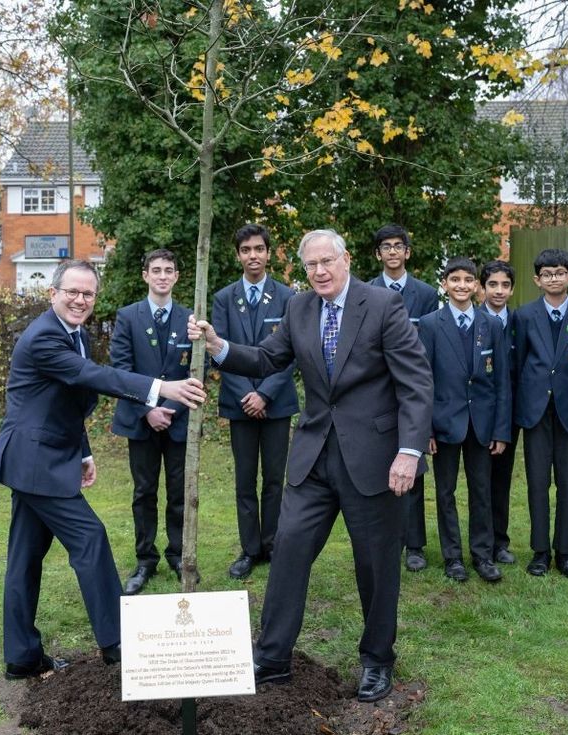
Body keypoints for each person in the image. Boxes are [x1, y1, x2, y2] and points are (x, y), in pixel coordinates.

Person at [188, 229, 432, 703]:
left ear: (346, 259)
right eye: (310, 266)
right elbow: (265, 358)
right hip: (314, 457)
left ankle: (378, 660)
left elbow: (416, 382)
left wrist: (410, 451)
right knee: (289, 551)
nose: (319, 272)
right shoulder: (300, 308)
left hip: (375, 461)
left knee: (376, 566)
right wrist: (219, 346)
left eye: (327, 262)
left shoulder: (382, 306)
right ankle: (273, 657)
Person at [0, 259, 205, 680]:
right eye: (72, 291)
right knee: (89, 538)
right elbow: (91, 375)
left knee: (24, 558)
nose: (80, 300)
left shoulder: (76, 333)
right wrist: (159, 388)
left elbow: (70, 396)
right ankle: (118, 643)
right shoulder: (44, 337)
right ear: (53, 293)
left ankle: (21, 657)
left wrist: (84, 451)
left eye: (88, 293)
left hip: (42, 455)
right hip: (36, 462)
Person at [211, 224, 298, 580]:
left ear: (268, 253)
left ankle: (273, 543)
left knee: (275, 479)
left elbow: (292, 352)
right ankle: (249, 549)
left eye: (259, 249)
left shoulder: (288, 297)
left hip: (275, 402)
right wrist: (247, 394)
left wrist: (264, 393)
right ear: (238, 255)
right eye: (246, 249)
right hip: (238, 402)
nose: (253, 256)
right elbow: (218, 351)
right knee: (245, 480)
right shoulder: (223, 298)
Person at [418, 258, 511, 583]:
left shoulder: (491, 325)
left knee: (482, 491)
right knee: (445, 492)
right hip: (444, 422)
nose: (461, 285)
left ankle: (483, 555)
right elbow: (424, 380)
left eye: (467, 280)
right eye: (454, 279)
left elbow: (501, 380)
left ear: (476, 286)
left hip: (482, 423)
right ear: (444, 284)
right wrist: (425, 428)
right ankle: (453, 557)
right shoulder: (430, 324)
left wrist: (501, 429)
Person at [110, 249, 194, 594]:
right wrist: (148, 410)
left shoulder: (190, 318)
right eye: (156, 270)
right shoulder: (128, 317)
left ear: (176, 277)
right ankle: (146, 559)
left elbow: (195, 371)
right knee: (144, 492)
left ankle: (177, 554)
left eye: (168, 270)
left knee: (178, 492)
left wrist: (170, 407)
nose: (162, 276)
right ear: (145, 275)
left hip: (177, 419)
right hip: (141, 420)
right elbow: (120, 370)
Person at [513, 249, 568, 578]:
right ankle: (539, 551)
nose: (554, 279)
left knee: (567, 482)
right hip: (535, 411)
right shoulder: (523, 316)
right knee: (537, 482)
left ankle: (564, 551)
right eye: (547, 274)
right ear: (537, 280)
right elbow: (520, 363)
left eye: (560, 273)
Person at [368, 224, 439, 573]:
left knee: (415, 466)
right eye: (386, 247)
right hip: (379, 388)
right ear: (378, 254)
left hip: (411, 385)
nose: (393, 252)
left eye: (399, 246)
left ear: (408, 252)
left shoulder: (425, 293)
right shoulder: (366, 291)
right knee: (379, 466)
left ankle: (415, 544)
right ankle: (387, 540)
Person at [480, 259, 520, 565]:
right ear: (482, 287)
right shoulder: (474, 320)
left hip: (509, 414)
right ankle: (479, 540)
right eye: (492, 284)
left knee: (501, 479)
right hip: (477, 414)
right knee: (480, 481)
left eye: (505, 285)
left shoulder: (521, 322)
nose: (499, 291)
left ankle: (500, 541)